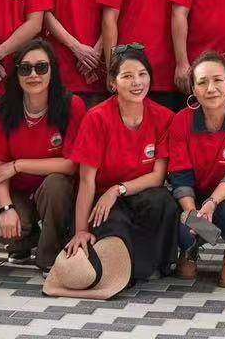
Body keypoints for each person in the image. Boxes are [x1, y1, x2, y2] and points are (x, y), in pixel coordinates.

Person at [63, 44, 177, 290]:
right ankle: (121, 269)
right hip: (101, 198)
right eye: (127, 76)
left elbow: (158, 177)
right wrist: (81, 230)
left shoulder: (164, 117)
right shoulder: (97, 118)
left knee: (163, 202)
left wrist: (118, 189)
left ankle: (151, 266)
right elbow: (86, 181)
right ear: (113, 83)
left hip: (132, 192)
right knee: (112, 227)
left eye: (142, 74)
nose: (137, 82)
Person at [163, 51, 225, 286]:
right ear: (193, 90)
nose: (211, 88)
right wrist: (192, 214)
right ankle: (190, 250)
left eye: (217, 80)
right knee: (182, 225)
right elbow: (180, 176)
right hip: (194, 198)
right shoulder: (181, 121)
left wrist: (212, 202)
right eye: (202, 82)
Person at [0, 39, 80, 269]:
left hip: (54, 190)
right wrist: (6, 208)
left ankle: (50, 253)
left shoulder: (71, 105)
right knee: (0, 226)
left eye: (41, 67)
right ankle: (25, 239)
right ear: (16, 74)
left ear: (52, 71)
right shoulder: (2, 110)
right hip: (19, 190)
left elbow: (71, 165)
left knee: (56, 185)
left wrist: (18, 165)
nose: (33, 74)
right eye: (25, 68)